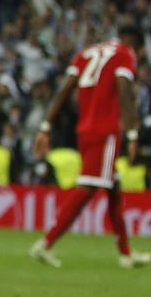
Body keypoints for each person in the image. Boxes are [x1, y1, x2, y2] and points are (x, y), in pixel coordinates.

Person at [30, 24, 151, 269]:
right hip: (105, 131)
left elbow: (65, 90)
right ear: (135, 43)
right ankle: (46, 243)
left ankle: (126, 253)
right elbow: (124, 91)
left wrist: (45, 126)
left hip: (84, 129)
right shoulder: (125, 54)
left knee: (113, 188)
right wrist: (132, 134)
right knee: (88, 187)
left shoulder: (86, 53)